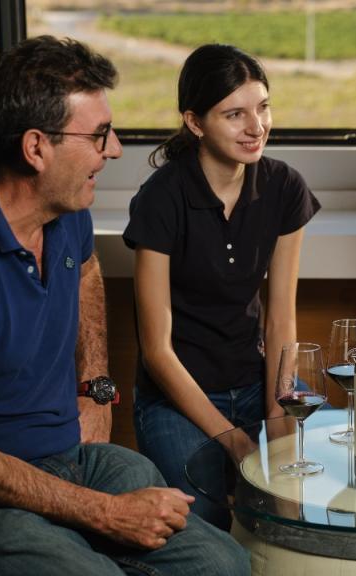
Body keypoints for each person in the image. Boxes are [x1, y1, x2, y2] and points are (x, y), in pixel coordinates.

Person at [0, 36, 249, 575]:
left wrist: (95, 390)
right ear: (36, 148)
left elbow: (85, 270)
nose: (113, 151)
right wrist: (105, 513)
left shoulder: (66, 211)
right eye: (99, 135)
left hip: (72, 460)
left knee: (222, 564)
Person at [123, 44, 320, 531]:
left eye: (263, 107)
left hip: (257, 383)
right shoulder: (161, 199)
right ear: (195, 122)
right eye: (235, 114)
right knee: (205, 522)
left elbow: (281, 320)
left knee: (312, 488)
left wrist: (276, 415)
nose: (257, 127)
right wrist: (233, 439)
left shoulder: (285, 187)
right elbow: (157, 352)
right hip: (178, 397)